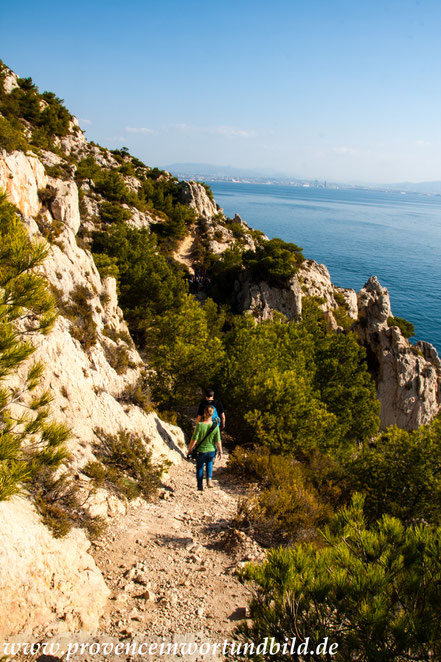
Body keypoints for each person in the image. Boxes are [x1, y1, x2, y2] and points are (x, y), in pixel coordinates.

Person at [187, 405, 222, 490]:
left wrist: (189, 449)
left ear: (204, 413)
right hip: (211, 450)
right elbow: (218, 440)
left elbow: (194, 439)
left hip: (200, 450)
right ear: (213, 414)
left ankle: (200, 485)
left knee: (200, 467)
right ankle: (209, 479)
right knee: (210, 463)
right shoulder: (215, 426)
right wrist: (220, 451)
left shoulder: (200, 425)